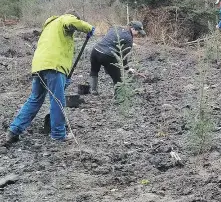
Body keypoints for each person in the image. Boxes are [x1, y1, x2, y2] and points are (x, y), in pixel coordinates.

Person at [5, 11, 94, 145]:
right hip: (54, 66)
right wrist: (89, 28)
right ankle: (58, 134)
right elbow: (71, 21)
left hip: (39, 66)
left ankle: (14, 130)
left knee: (35, 99)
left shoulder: (49, 27)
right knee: (58, 101)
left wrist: (66, 78)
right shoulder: (65, 18)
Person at [89, 21, 146, 96]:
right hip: (107, 55)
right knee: (117, 79)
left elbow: (109, 36)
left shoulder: (116, 27)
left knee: (94, 70)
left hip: (95, 51)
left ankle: (93, 91)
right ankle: (119, 98)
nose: (138, 34)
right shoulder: (129, 39)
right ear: (132, 28)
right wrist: (127, 68)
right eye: (138, 32)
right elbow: (123, 56)